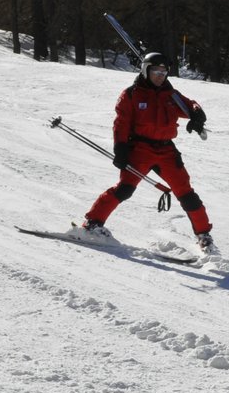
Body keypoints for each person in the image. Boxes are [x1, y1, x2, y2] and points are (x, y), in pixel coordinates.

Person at [82, 51, 214, 252]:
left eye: (164, 72)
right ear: (145, 70)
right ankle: (92, 224)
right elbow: (121, 124)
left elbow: (191, 106)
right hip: (140, 150)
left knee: (187, 194)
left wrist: (197, 115)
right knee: (124, 189)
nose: (160, 76)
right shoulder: (131, 94)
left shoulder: (171, 95)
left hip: (166, 151)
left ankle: (204, 236)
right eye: (155, 71)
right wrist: (120, 149)